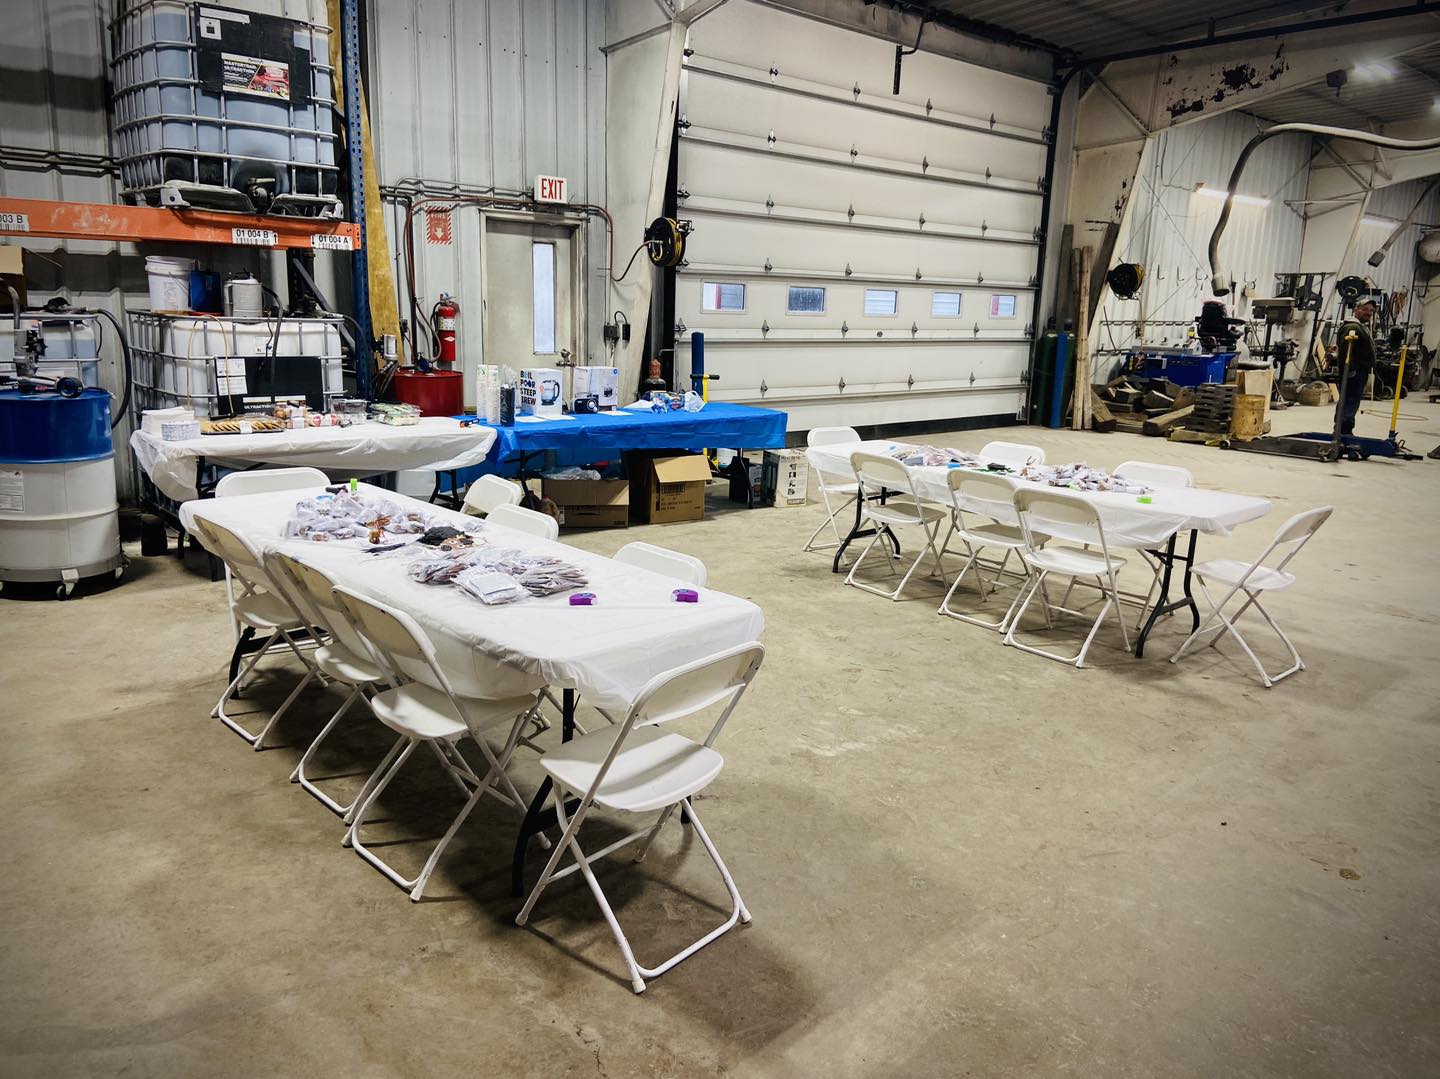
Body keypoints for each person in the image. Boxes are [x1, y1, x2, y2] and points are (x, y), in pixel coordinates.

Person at [1334, 298, 1377, 436]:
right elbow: (1346, 350)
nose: (1368, 313)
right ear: (1356, 309)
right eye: (1365, 309)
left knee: (1350, 400)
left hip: (1358, 371)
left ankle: (1343, 430)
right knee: (1350, 401)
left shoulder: (1359, 327)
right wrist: (1350, 369)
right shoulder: (1352, 327)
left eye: (1371, 311)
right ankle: (1343, 431)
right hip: (1354, 372)